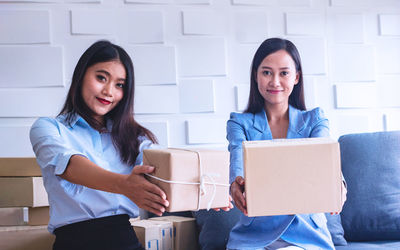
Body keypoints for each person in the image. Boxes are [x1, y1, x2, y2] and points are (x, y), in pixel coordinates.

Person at [29, 40, 170, 250]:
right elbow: (70, 167)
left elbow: (168, 167)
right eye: (101, 78)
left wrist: (207, 195)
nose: (109, 91)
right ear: (81, 76)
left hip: (125, 240)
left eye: (119, 85)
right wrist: (125, 185)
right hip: (74, 243)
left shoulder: (135, 138)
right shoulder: (48, 128)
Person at [226, 38, 347, 249]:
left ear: (296, 77)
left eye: (284, 73)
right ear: (256, 75)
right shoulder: (239, 123)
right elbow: (237, 155)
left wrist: (339, 184)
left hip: (306, 233)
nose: (275, 81)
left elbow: (325, 157)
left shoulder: (315, 120)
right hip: (255, 235)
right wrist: (235, 184)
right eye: (266, 72)